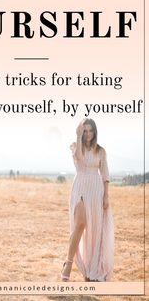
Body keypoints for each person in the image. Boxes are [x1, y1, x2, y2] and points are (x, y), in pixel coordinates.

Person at [61, 118, 114, 282]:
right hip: (80, 187)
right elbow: (78, 159)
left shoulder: (101, 151)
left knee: (95, 230)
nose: (88, 134)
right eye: (85, 131)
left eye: (91, 131)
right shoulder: (75, 146)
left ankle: (91, 269)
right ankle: (68, 264)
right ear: (81, 132)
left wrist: (106, 196)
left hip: (96, 190)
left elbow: (105, 175)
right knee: (80, 224)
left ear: (95, 132)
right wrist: (77, 136)